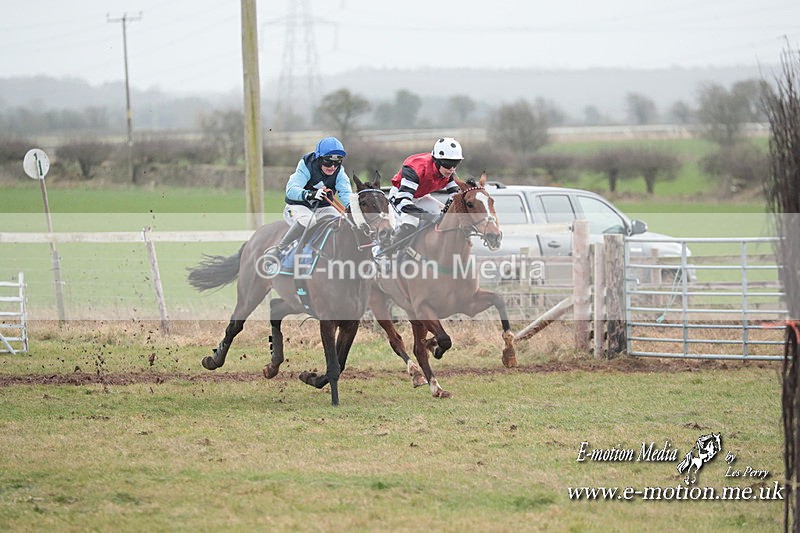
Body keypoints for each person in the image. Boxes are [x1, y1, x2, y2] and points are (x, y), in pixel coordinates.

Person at [262, 136, 352, 270]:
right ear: (319, 158)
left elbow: (346, 194)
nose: (332, 167)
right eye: (328, 162)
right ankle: (279, 250)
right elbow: (291, 190)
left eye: (337, 162)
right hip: (298, 207)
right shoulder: (306, 165)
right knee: (308, 220)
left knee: (339, 222)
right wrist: (309, 194)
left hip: (322, 208)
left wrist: (352, 208)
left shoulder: (340, 172)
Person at [388, 137, 463, 246]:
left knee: (445, 220)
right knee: (411, 224)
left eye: (455, 164)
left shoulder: (449, 173)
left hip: (420, 196)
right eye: (447, 164)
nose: (451, 169)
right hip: (400, 198)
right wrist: (428, 216)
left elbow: (456, 198)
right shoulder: (416, 168)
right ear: (436, 161)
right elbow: (403, 202)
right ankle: (384, 252)